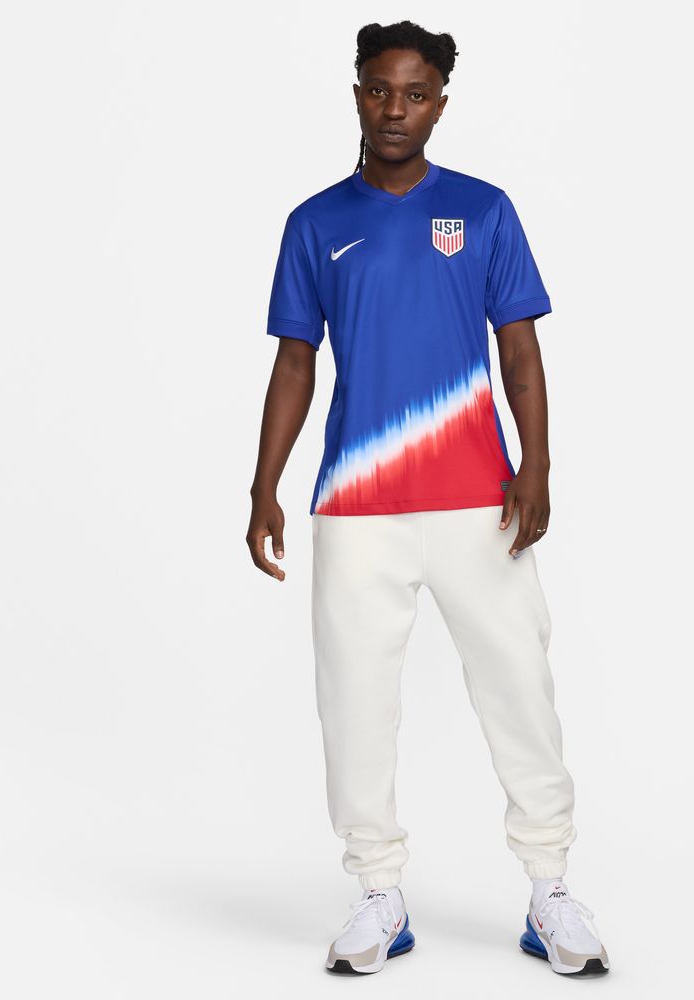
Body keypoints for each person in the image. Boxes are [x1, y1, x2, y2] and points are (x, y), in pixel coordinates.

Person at [248, 19, 610, 978]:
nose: (394, 109)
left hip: (477, 501)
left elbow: (519, 349)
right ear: (357, 95)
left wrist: (536, 465)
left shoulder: (483, 211)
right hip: (356, 507)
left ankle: (550, 888)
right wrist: (263, 484)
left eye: (414, 94)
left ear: (440, 104)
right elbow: (295, 362)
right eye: (379, 90)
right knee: (355, 701)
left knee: (519, 686)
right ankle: (378, 892)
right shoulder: (315, 222)